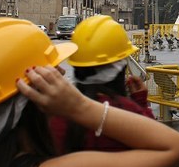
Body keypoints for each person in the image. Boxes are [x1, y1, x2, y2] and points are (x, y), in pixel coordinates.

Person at [0, 17, 179, 167]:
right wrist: (79, 106)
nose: (63, 75)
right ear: (32, 94)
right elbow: (178, 148)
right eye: (52, 73)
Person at [50, 15, 154, 154]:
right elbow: (155, 143)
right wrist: (140, 102)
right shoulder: (128, 112)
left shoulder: (57, 113)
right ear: (120, 66)